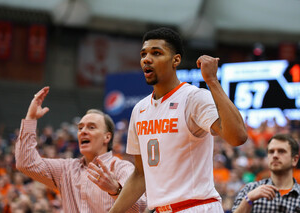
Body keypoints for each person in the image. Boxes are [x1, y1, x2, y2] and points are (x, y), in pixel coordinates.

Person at [109, 27, 248, 213]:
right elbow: (141, 175)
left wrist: (212, 81)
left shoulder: (194, 97)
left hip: (197, 206)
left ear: (176, 60)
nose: (146, 59)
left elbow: (237, 137)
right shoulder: (139, 109)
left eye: (156, 53)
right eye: (144, 54)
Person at [15, 86, 147, 213]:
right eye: (80, 128)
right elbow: (26, 163)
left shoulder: (121, 168)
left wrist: (115, 190)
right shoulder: (66, 169)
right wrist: (31, 118)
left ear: (107, 137)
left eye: (91, 127)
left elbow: (142, 209)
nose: (83, 131)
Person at [231, 134, 300, 212]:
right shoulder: (249, 189)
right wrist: (248, 199)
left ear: (294, 160)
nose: (275, 155)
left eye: (281, 151)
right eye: (271, 152)